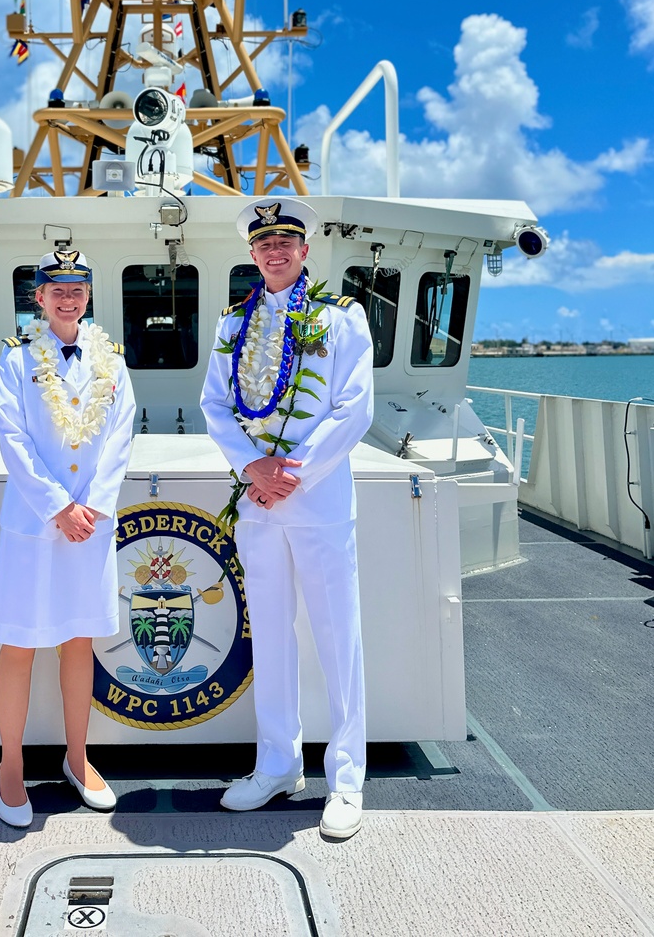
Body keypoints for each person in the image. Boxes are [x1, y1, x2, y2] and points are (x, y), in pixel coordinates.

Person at [199, 198, 374, 840]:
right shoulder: (231, 326)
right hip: (258, 505)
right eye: (264, 242)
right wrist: (253, 467)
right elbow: (215, 404)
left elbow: (353, 408)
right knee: (270, 635)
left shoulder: (342, 319)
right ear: (253, 253)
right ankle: (276, 764)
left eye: (286, 242)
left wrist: (291, 470)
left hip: (318, 502)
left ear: (305, 250)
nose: (274, 251)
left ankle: (348, 779)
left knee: (337, 638)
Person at [0, 249, 135, 828]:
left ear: (88, 297)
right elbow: (13, 439)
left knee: (79, 643)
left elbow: (121, 437)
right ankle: (11, 766)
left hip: (89, 528)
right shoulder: (16, 361)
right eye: (57, 290)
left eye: (77, 290)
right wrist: (58, 507)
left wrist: (91, 507)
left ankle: (77, 758)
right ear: (39, 299)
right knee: (20, 644)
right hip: (34, 525)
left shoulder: (113, 363)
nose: (68, 299)